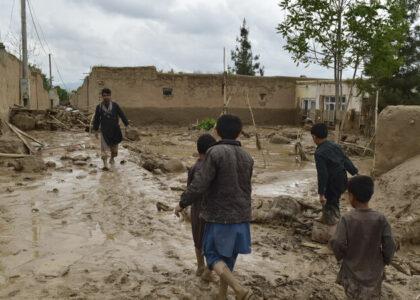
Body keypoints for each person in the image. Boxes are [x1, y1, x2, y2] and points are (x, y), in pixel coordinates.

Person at [175, 114, 254, 300]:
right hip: (242, 217)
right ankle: (222, 295)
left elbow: (200, 184)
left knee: (211, 255)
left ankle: (239, 289)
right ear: (239, 133)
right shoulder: (247, 156)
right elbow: (246, 187)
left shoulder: (215, 153)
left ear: (217, 131)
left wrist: (181, 203)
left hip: (220, 216)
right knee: (228, 259)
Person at [330, 175, 396, 299]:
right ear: (370, 194)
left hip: (351, 272)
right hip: (374, 273)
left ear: (352, 196)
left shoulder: (347, 219)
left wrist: (341, 256)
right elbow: (390, 244)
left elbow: (337, 242)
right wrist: (386, 260)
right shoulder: (381, 219)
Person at [311, 123, 358, 227]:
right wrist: (355, 172)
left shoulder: (319, 153)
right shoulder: (335, 146)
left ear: (314, 137)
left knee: (331, 203)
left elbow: (322, 174)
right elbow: (345, 160)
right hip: (342, 179)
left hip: (332, 182)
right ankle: (325, 217)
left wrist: (321, 193)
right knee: (333, 200)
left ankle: (335, 223)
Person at [188, 133, 216, 278]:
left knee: (198, 240)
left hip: (197, 209)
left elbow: (190, 190)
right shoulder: (214, 167)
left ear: (198, 150)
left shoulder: (194, 168)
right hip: (213, 210)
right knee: (211, 241)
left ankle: (200, 266)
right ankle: (209, 270)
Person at [92, 88, 130, 170]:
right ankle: (105, 165)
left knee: (114, 151)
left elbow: (122, 114)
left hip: (115, 131)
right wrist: (95, 130)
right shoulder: (99, 107)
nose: (106, 97)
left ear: (110, 96)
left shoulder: (115, 105)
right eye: (104, 96)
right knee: (104, 149)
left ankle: (112, 158)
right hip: (104, 131)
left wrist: (127, 125)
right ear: (102, 96)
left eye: (107, 95)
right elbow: (96, 119)